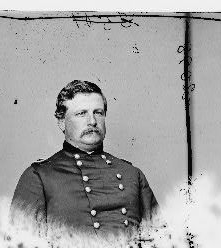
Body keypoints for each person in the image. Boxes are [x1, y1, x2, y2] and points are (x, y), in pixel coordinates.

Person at [11, 80, 158, 233]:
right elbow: (23, 244)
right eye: (81, 114)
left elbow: (161, 241)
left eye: (98, 113)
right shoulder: (39, 176)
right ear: (61, 122)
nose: (92, 121)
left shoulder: (132, 174)